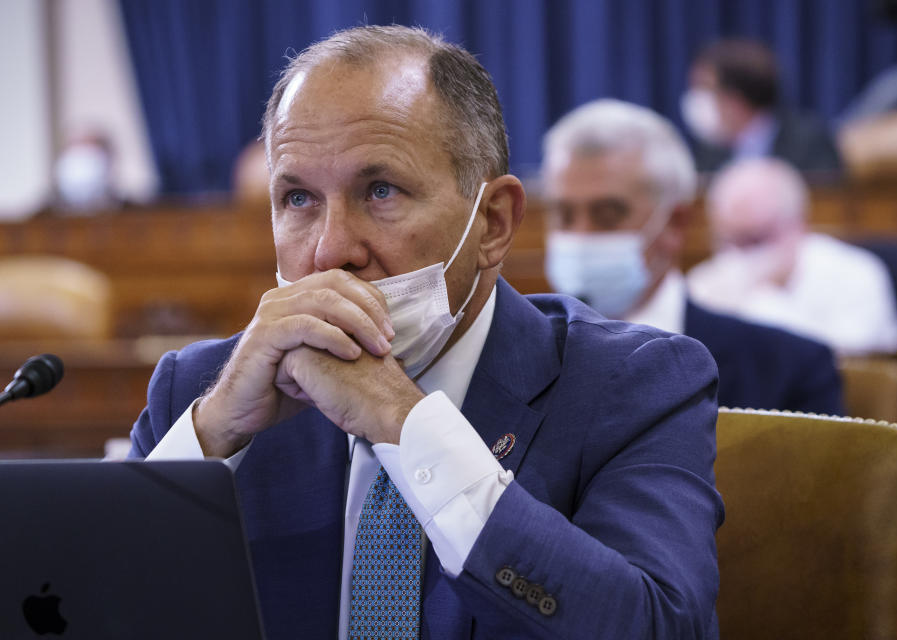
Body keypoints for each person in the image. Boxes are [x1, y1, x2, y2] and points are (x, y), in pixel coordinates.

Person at [130, 26, 723, 639]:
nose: (332, 250)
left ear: (492, 223)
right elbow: (90, 606)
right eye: (299, 198)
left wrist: (405, 424)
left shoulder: (634, 384)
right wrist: (213, 442)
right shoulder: (201, 397)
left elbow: (658, 628)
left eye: (380, 191)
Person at [541, 99, 844, 415]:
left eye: (608, 215)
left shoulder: (790, 370)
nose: (581, 235)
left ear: (674, 223)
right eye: (563, 216)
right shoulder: (514, 361)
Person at [688, 157, 897, 356]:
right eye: (730, 240)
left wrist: (761, 300)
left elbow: (851, 358)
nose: (742, 256)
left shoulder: (858, 273)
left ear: (798, 225)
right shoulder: (705, 284)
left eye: (757, 239)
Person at [681, 39, 842, 173]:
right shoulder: (709, 152)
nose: (696, 99)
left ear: (736, 98)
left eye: (705, 89)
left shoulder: (809, 143)